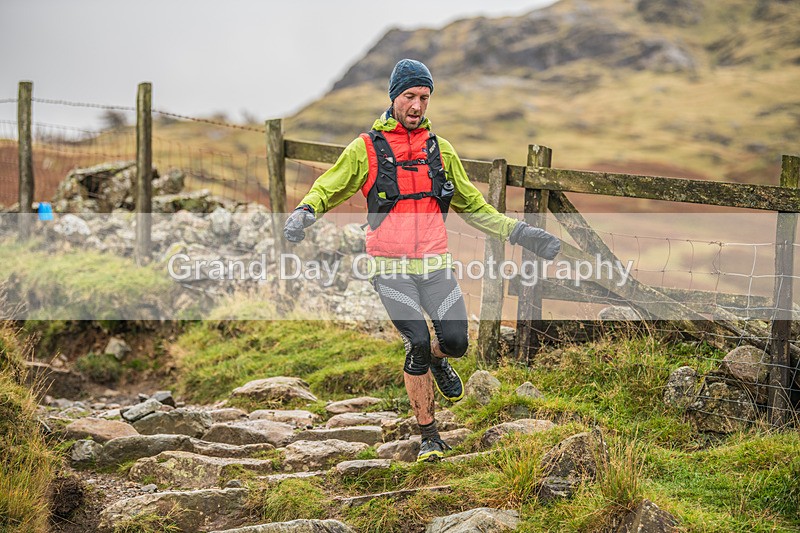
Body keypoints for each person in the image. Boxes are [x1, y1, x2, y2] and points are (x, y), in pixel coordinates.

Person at [284, 59, 560, 462]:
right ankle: (429, 436)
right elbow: (330, 186)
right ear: (394, 96)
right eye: (410, 96)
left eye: (424, 98)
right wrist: (304, 211)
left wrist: (522, 233)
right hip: (388, 266)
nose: (416, 105)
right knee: (415, 340)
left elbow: (474, 206)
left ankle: (437, 358)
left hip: (434, 264)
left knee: (456, 342)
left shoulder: (440, 150)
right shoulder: (366, 149)